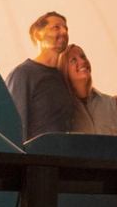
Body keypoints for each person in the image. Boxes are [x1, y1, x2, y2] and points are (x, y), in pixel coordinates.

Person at [5, 10, 76, 141]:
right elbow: (13, 125)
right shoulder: (23, 74)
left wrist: (113, 104)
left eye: (66, 28)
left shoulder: (63, 78)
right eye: (56, 27)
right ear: (38, 34)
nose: (64, 32)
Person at [61, 45, 117, 137]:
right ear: (64, 70)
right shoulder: (61, 109)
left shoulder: (113, 105)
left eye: (83, 57)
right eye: (73, 60)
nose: (82, 61)